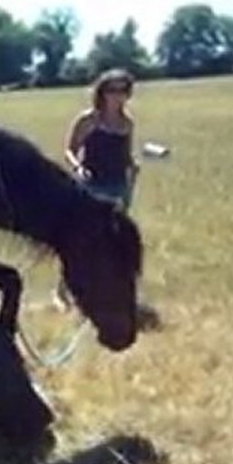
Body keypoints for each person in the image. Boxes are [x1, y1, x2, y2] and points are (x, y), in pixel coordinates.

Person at [53, 67, 140, 312]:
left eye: (123, 90)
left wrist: (133, 167)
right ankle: (62, 289)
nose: (118, 96)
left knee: (112, 241)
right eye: (113, 90)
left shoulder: (127, 123)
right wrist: (78, 168)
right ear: (102, 92)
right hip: (92, 186)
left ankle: (103, 292)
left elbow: (125, 153)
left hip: (118, 186)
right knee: (83, 240)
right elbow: (70, 149)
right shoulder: (89, 120)